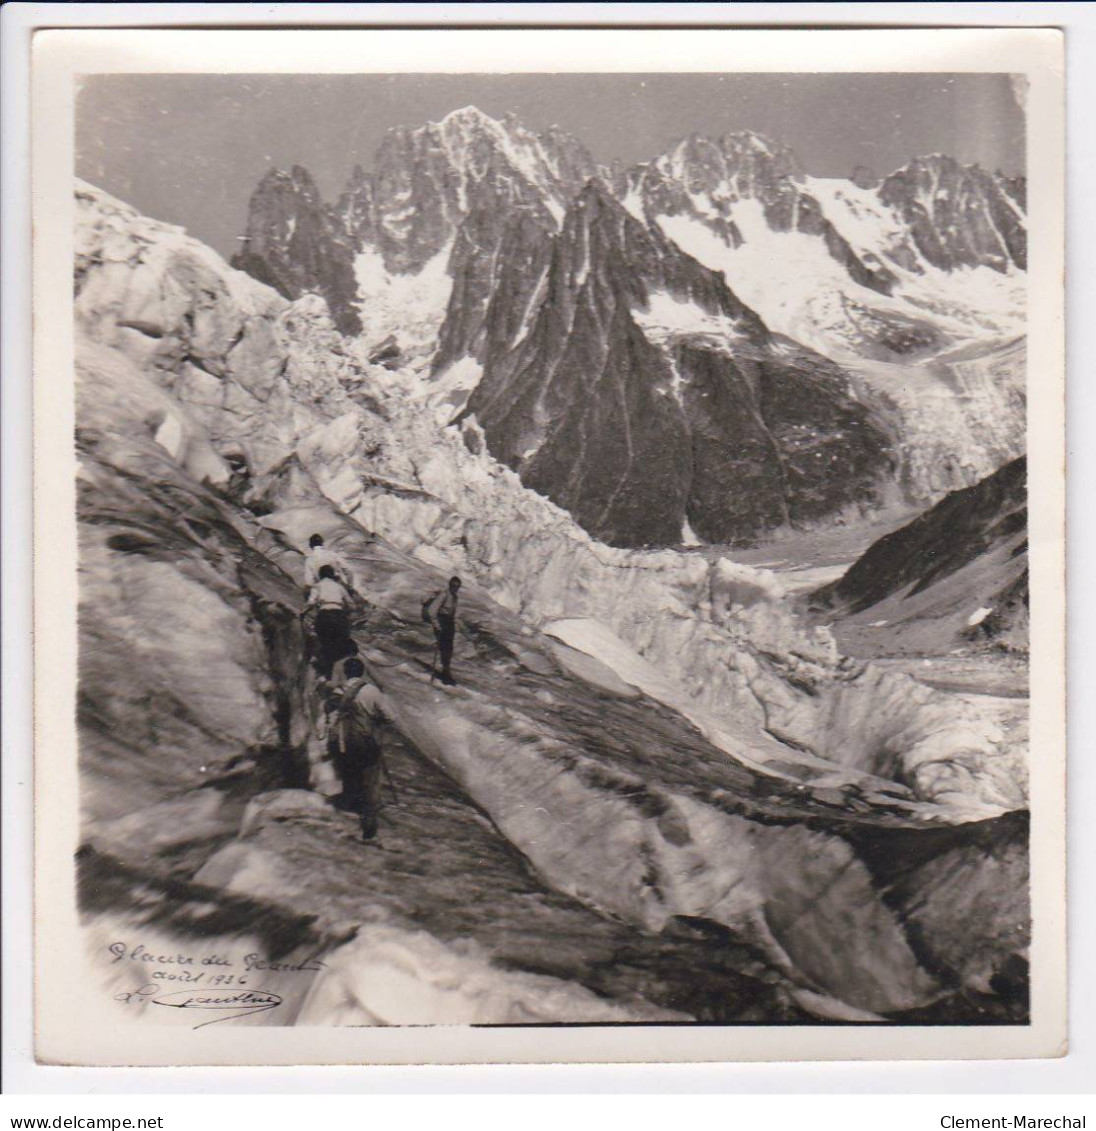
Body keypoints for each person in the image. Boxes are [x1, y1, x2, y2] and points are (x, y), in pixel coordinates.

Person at [324, 658, 390, 840]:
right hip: (364, 741)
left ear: (346, 672)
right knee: (368, 778)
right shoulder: (371, 691)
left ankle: (349, 803)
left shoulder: (339, 690)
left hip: (342, 741)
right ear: (362, 672)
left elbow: (329, 712)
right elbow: (389, 716)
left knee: (349, 772)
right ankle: (368, 820)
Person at [306, 564, 355, 679]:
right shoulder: (339, 587)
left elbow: (311, 603)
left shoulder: (317, 586)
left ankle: (324, 674)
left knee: (324, 643)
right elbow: (352, 604)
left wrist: (304, 611)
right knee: (340, 645)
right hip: (339, 616)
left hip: (325, 615)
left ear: (320, 575)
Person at [424, 575, 461, 686]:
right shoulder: (444, 595)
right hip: (442, 622)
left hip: (449, 623)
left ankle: (446, 672)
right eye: (454, 585)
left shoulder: (455, 597)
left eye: (458, 586)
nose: (455, 588)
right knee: (444, 648)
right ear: (450, 585)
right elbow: (432, 611)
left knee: (448, 649)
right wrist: (437, 625)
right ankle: (445, 675)